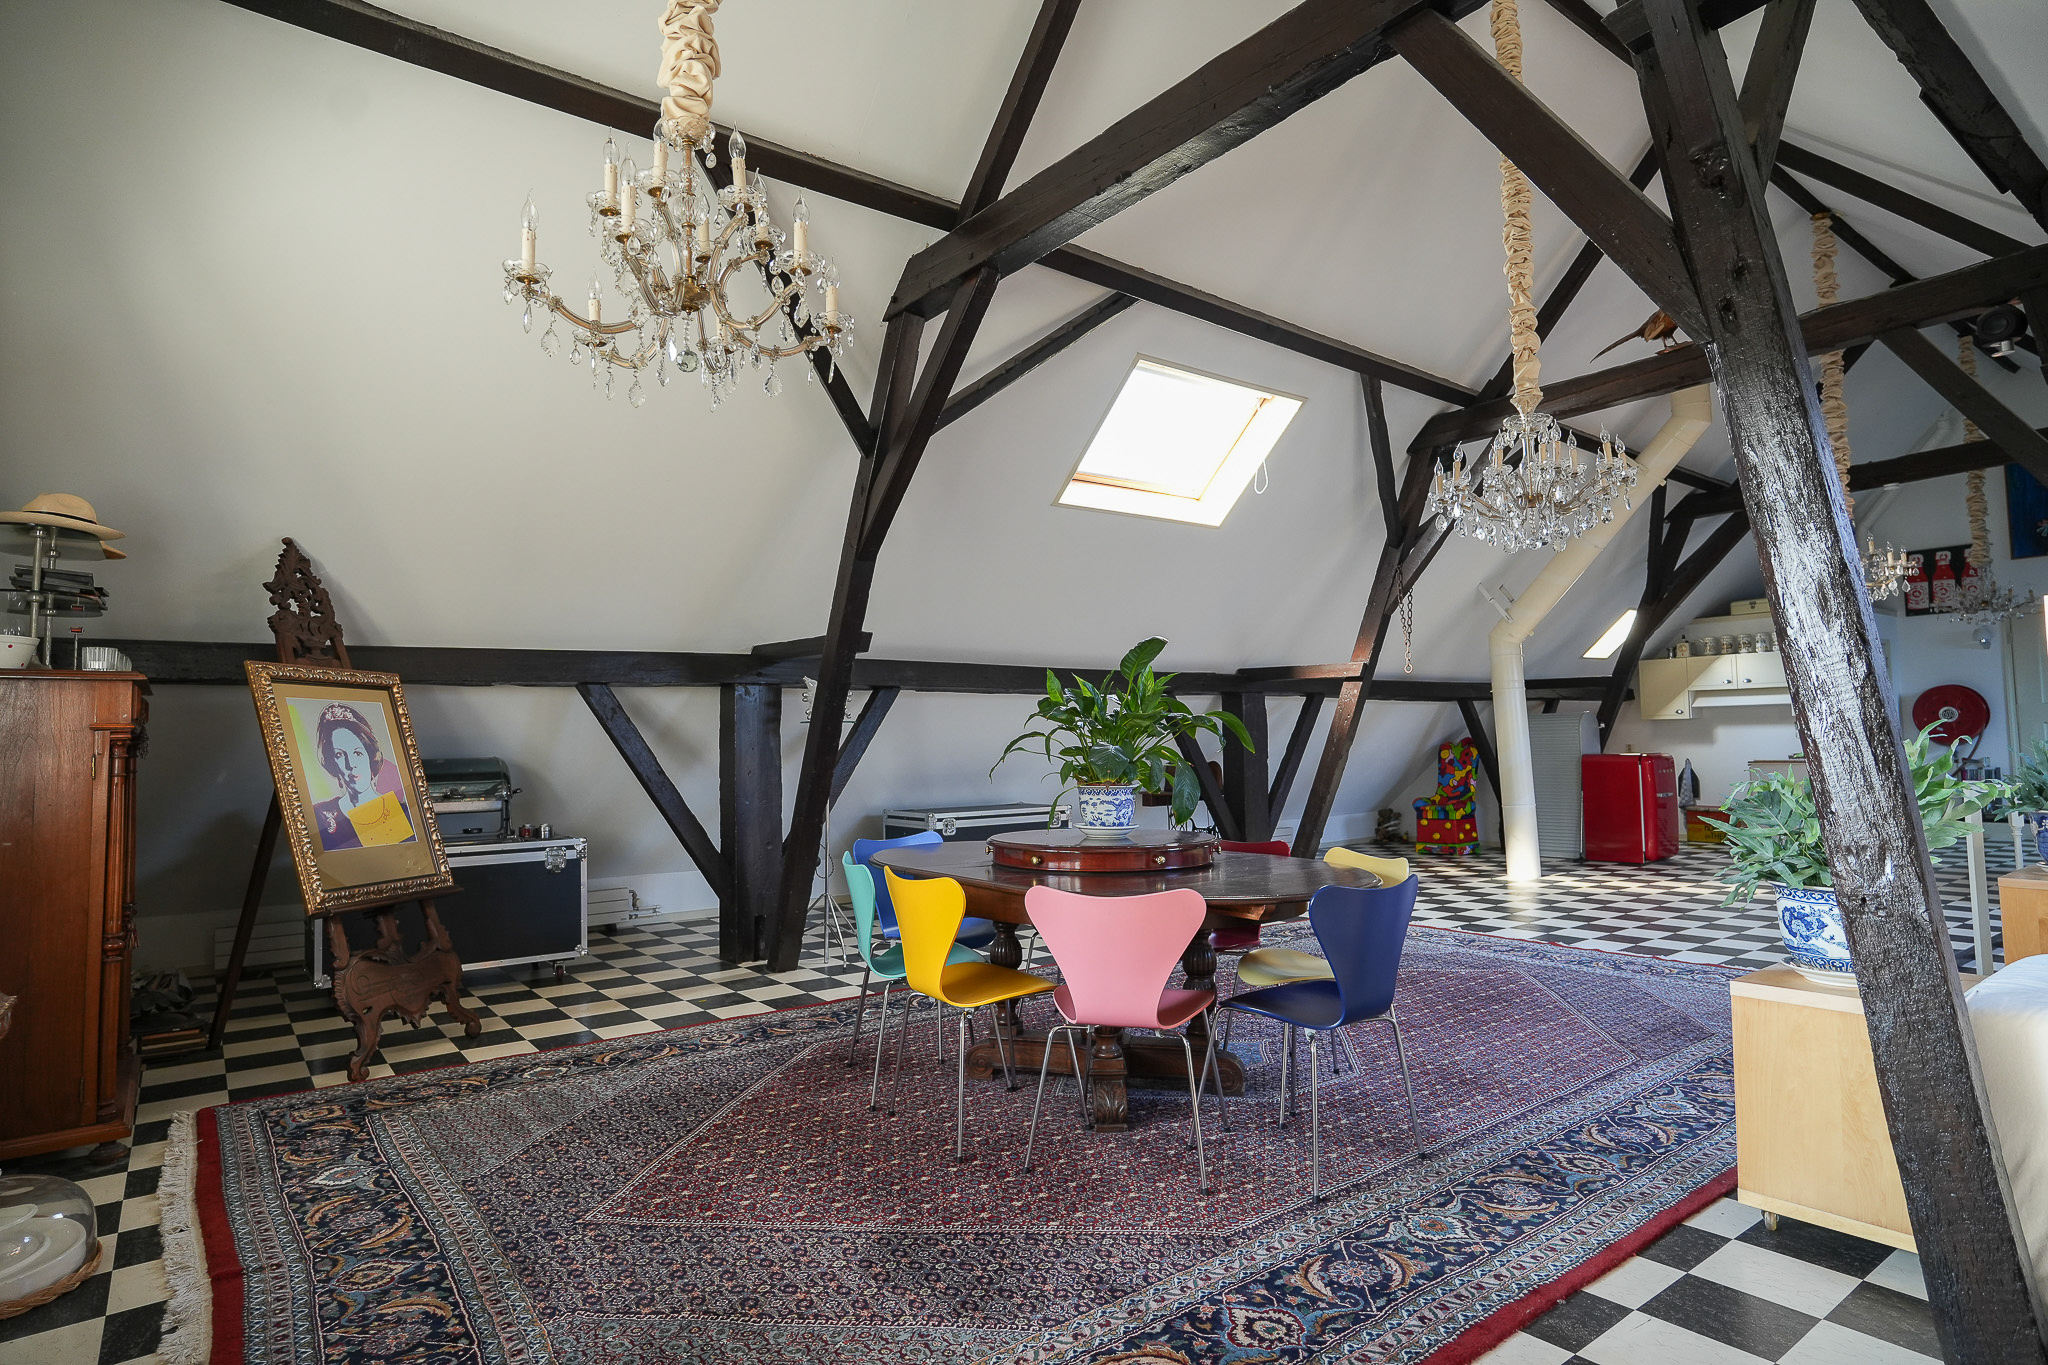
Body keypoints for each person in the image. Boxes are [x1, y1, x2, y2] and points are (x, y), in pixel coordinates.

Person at [308, 702, 418, 851]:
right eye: (339, 755)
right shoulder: (320, 815)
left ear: (370, 757)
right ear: (332, 763)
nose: (351, 764)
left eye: (357, 753)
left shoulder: (403, 812)